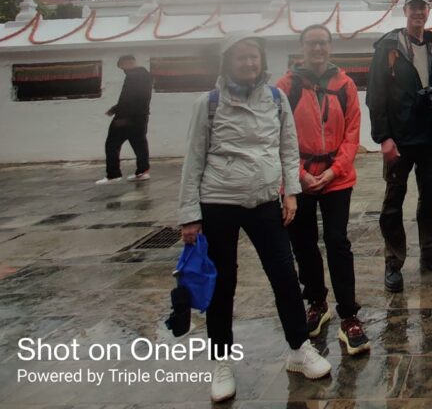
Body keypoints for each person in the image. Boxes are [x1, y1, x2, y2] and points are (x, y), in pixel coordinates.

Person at [178, 32, 331, 403]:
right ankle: (221, 361)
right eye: (241, 58)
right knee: (223, 284)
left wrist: (290, 191)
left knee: (284, 277)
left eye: (254, 57)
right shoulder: (209, 103)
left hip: (265, 200)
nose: (249, 64)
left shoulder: (276, 98)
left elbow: (287, 147)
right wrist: (189, 216)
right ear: (227, 62)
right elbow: (193, 158)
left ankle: (299, 348)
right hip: (219, 202)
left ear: (262, 61)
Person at [276, 24, 370, 355]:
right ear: (302, 48)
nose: (318, 49)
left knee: (337, 242)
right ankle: (316, 299)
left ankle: (349, 313)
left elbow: (352, 134)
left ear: (330, 48)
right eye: (312, 43)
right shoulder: (285, 87)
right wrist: (300, 174)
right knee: (302, 243)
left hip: (336, 177)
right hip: (297, 177)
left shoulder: (344, 85)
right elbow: (278, 134)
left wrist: (333, 171)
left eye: (323, 43)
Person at [367, 0, 432, 293]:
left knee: (431, 198)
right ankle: (393, 263)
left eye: (423, 8)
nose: (418, 13)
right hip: (399, 138)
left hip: (429, 135)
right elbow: (376, 94)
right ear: (405, 11)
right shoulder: (389, 47)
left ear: (428, 11)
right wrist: (384, 138)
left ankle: (431, 252)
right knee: (393, 201)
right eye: (413, 8)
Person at [95, 54, 152, 185]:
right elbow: (139, 98)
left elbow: (128, 98)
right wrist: (115, 108)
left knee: (111, 145)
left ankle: (113, 175)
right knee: (139, 144)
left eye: (123, 67)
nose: (123, 70)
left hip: (126, 117)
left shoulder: (133, 76)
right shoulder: (146, 75)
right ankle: (143, 172)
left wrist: (121, 116)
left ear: (129, 62)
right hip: (141, 116)